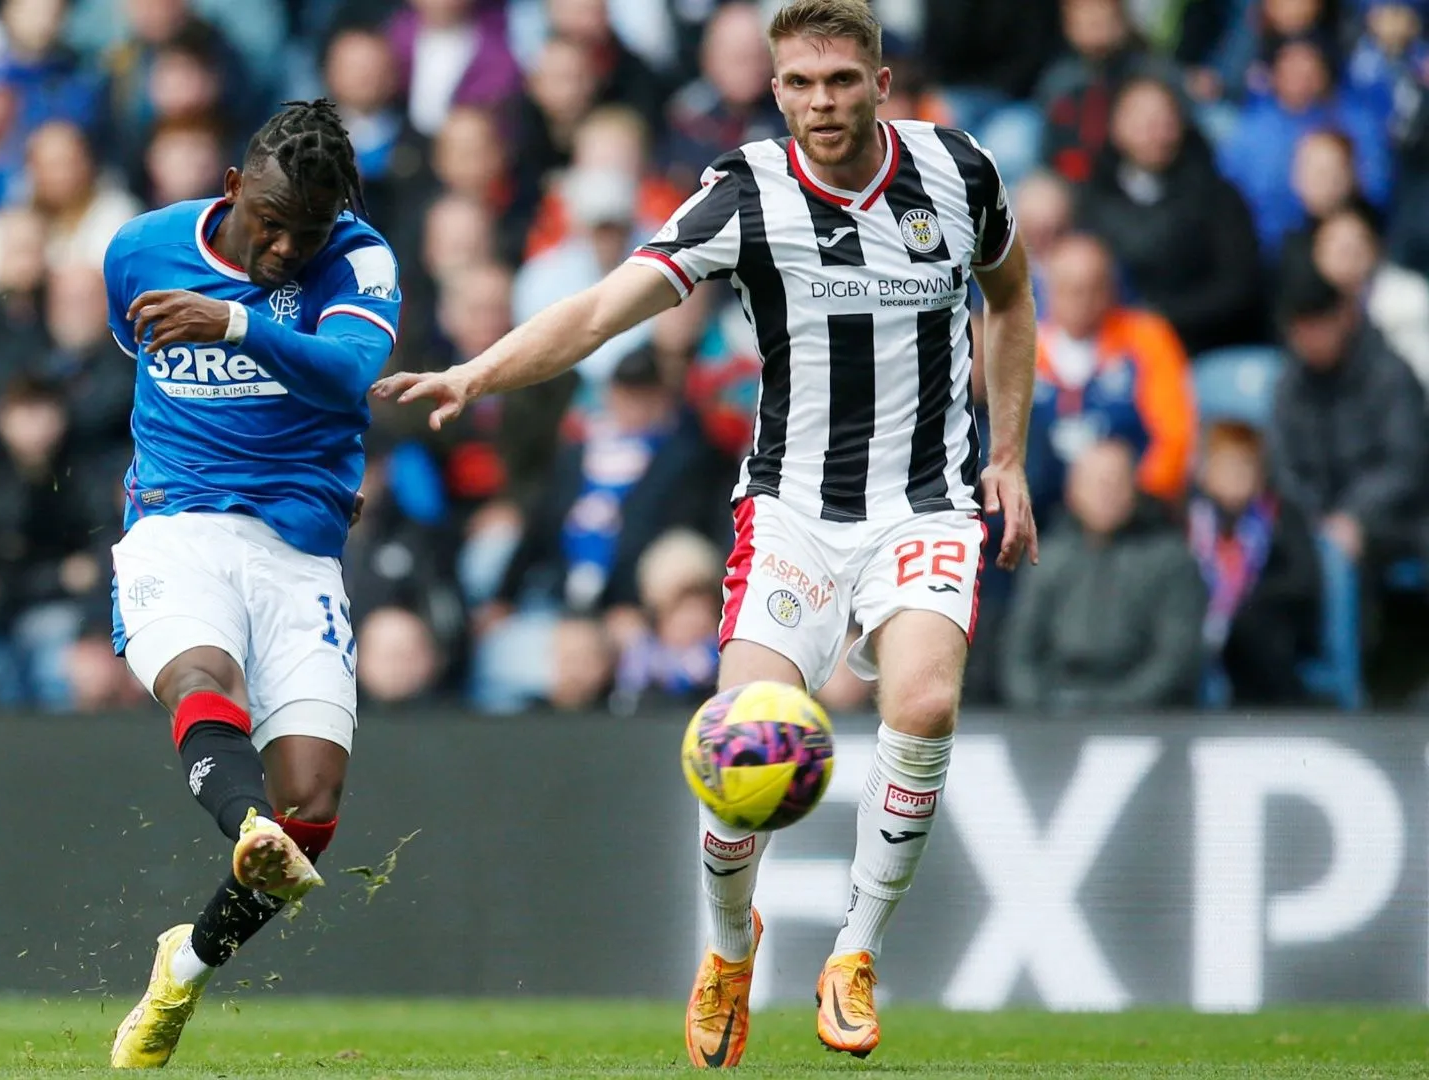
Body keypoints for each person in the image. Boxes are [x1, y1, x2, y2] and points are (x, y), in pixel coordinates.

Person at [375, 0, 1038, 1066]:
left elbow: (1010, 296)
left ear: (879, 78)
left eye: (841, 80)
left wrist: (1006, 455)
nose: (821, 103)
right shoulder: (746, 192)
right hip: (792, 512)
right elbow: (599, 312)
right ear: (774, 90)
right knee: (743, 738)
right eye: (800, 84)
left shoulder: (960, 173)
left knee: (923, 699)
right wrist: (475, 372)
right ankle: (731, 949)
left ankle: (856, 952)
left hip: (927, 501)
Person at [101, 98, 399, 1070]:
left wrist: (233, 322)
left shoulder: (358, 260)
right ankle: (246, 826)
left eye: (303, 232)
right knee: (202, 679)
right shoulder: (141, 251)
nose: (282, 247)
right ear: (233, 187)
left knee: (314, 805)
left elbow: (348, 374)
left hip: (298, 551)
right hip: (175, 525)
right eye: (268, 221)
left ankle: (183, 968)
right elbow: (136, 360)